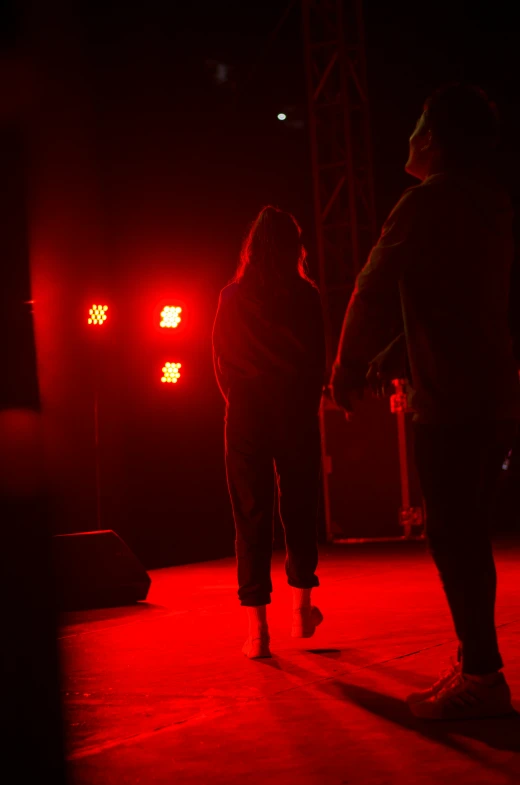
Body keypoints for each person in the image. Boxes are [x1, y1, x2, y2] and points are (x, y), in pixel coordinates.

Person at [331, 84, 520, 719]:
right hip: (495, 395)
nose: (409, 135)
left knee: (452, 533)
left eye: (418, 125)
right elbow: (456, 301)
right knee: (470, 531)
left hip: (449, 400)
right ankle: (477, 665)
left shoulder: (423, 204)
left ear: (434, 137)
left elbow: (372, 285)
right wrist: (395, 353)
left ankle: (483, 678)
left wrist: (347, 363)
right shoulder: (492, 204)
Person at [212, 206, 325, 659]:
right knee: (300, 507)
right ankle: (301, 610)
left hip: (246, 413)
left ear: (251, 249)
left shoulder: (230, 297)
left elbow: (218, 362)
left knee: (251, 516)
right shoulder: (305, 296)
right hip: (293, 411)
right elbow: (317, 360)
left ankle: (257, 631)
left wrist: (239, 402)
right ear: (294, 247)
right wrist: (302, 402)